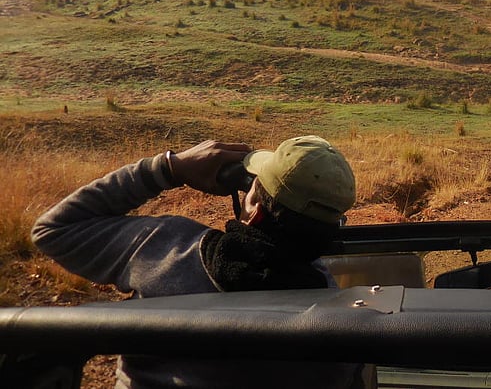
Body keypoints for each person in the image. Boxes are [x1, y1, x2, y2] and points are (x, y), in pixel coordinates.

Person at [32, 135, 362, 388]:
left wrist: (168, 168)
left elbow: (53, 229)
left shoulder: (162, 247)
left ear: (255, 211)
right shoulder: (340, 323)